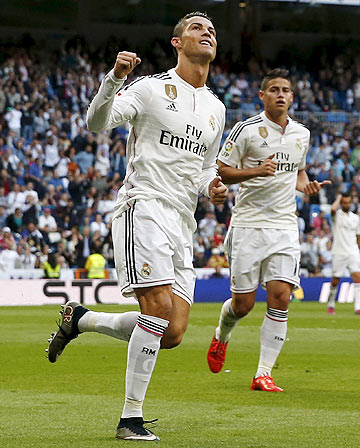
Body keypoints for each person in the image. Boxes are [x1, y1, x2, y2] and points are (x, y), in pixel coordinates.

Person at [46, 11, 227, 441]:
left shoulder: (216, 108)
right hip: (143, 207)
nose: (208, 33)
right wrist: (114, 79)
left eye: (212, 30)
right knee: (158, 311)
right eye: (198, 28)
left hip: (184, 222)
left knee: (173, 332)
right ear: (177, 43)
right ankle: (130, 418)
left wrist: (213, 186)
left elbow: (203, 170)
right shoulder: (149, 88)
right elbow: (96, 123)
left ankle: (80, 321)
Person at [206, 69, 329, 392]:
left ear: (291, 97)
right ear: (262, 96)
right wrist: (255, 170)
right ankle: (222, 335)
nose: (280, 94)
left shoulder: (301, 134)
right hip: (248, 225)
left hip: (284, 227)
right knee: (243, 305)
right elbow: (222, 171)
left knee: (281, 297)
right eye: (273, 89)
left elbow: (298, 173)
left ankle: (264, 373)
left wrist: (307, 187)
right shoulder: (246, 130)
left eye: (285, 90)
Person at [326, 192, 360, 315]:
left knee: (357, 276)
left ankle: (358, 307)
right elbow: (333, 208)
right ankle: (331, 302)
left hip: (353, 251)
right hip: (339, 252)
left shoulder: (355, 218)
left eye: (349, 202)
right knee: (335, 280)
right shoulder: (336, 216)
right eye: (344, 202)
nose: (347, 204)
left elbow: (359, 237)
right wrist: (338, 197)